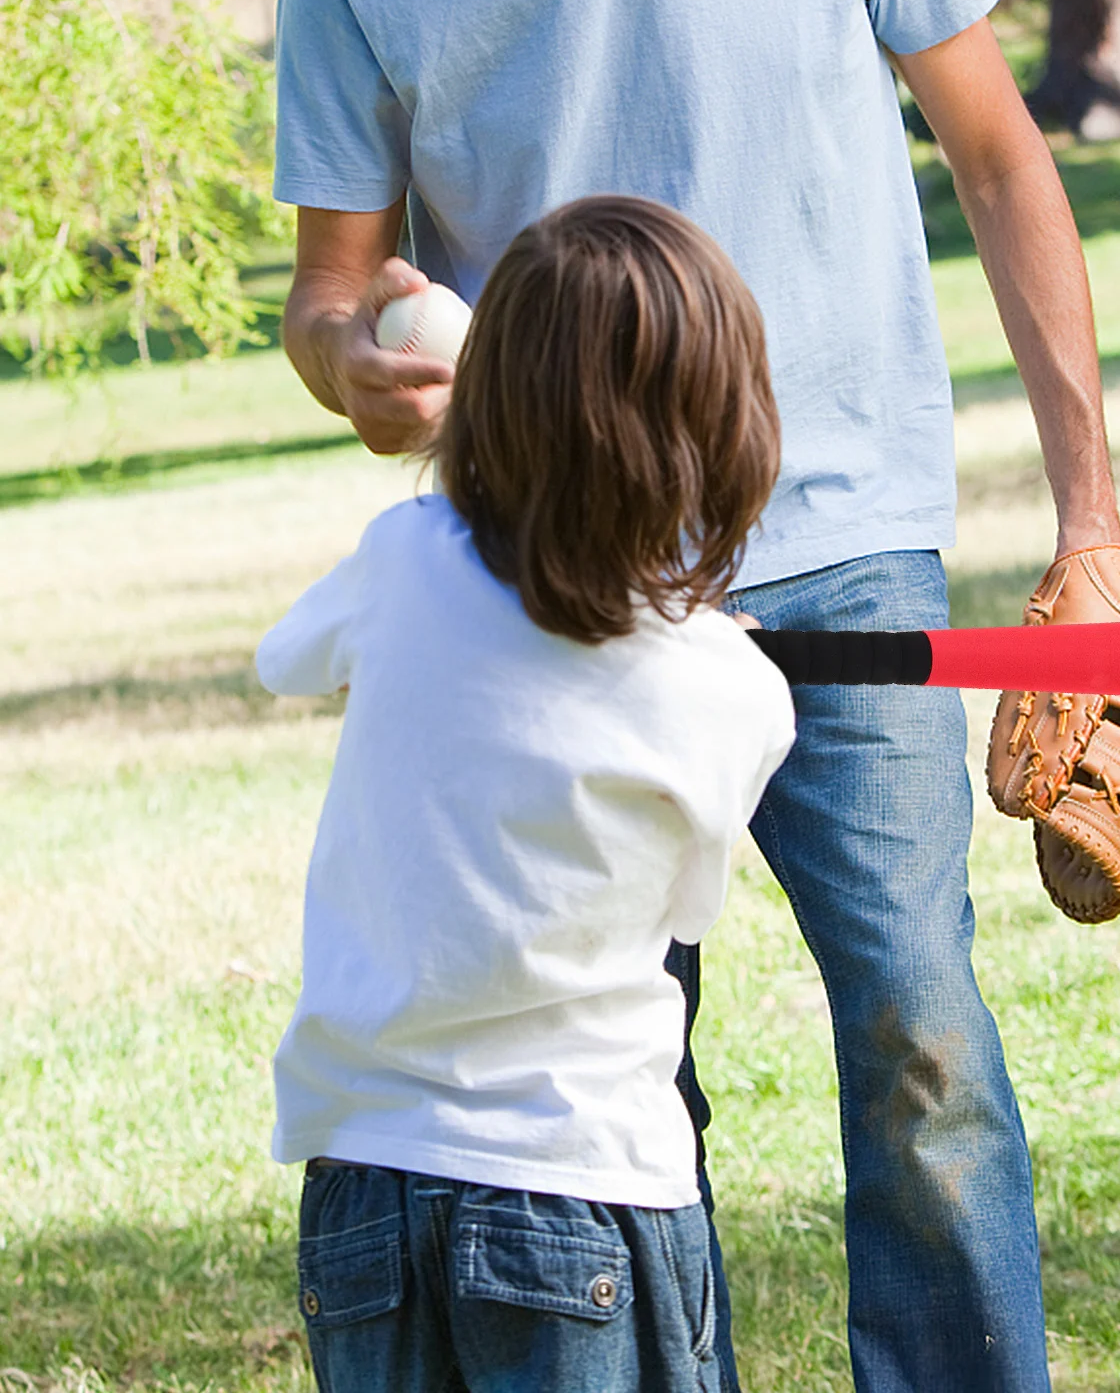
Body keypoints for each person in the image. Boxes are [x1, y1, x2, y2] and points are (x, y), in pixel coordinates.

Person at [273, 0, 1120, 1387]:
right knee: (599, 1073)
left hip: (843, 536)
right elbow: (329, 291)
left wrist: (1092, 521)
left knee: (922, 1037)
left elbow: (1004, 157)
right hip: (563, 580)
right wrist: (361, 365)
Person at [256, 196, 796, 1393]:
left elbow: (284, 657)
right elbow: (688, 910)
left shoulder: (401, 563)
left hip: (362, 1189)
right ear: (720, 426)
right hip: (578, 1180)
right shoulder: (727, 688)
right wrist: (706, 638)